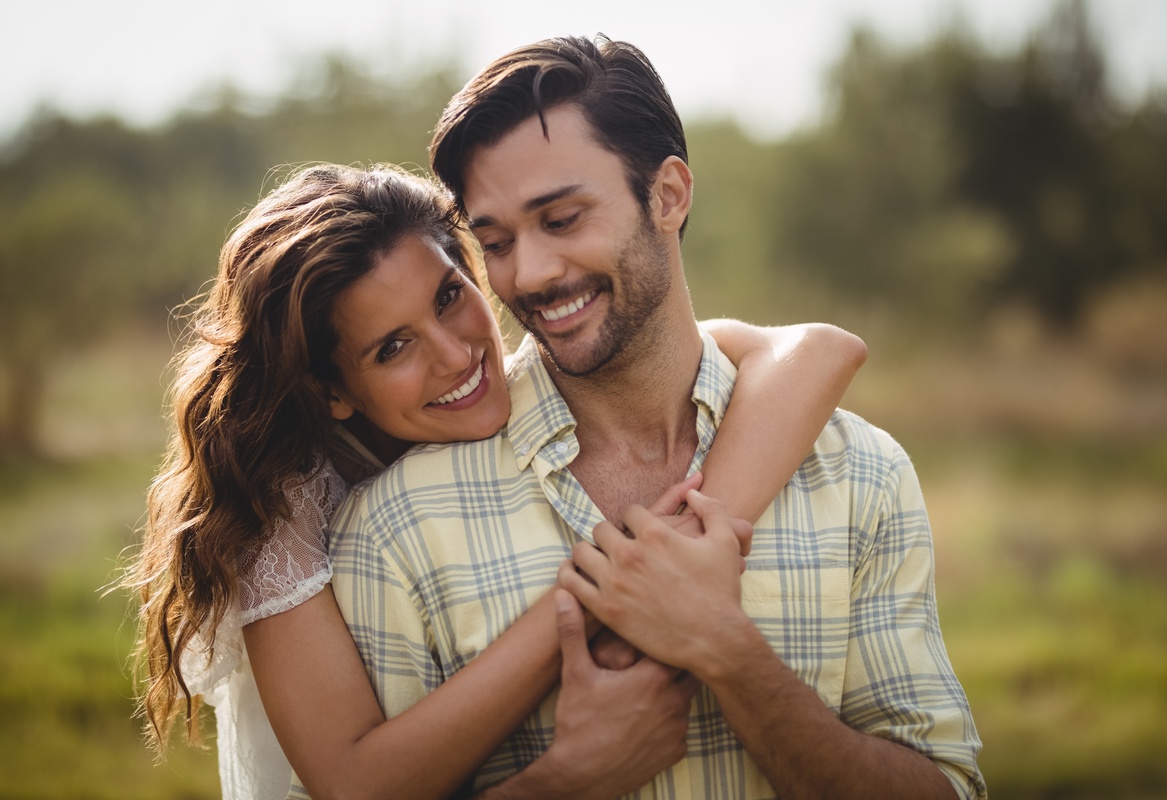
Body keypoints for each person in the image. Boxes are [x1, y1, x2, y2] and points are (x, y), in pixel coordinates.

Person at [327, 34, 987, 799]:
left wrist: (729, 653)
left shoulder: (859, 473)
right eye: (497, 241)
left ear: (669, 195)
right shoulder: (397, 527)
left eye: (563, 219)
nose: (530, 274)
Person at [126, 161, 867, 799]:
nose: (454, 355)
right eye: (393, 348)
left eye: (449, 295)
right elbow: (356, 784)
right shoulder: (282, 507)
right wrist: (606, 610)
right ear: (331, 394)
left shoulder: (551, 380)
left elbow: (819, 351)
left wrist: (673, 559)